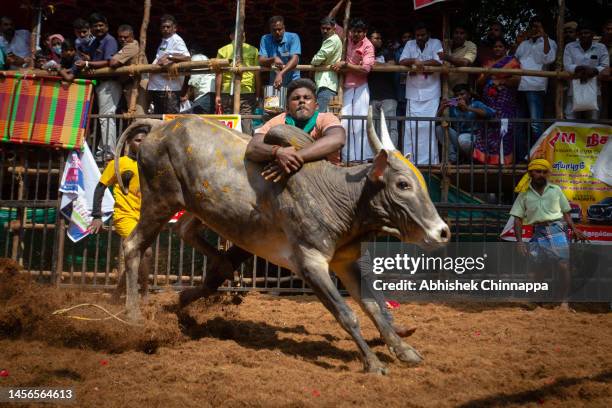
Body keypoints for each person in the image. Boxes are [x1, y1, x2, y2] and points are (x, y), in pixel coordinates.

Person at [245, 78, 412, 336]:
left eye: (306, 98)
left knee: (358, 264)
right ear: (287, 105)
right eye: (295, 98)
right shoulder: (277, 123)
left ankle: (387, 322)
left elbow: (337, 140)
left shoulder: (325, 119)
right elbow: (253, 146)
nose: (301, 101)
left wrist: (297, 155)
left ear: (315, 103)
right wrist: (278, 152)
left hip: (333, 204)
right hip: (289, 205)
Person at [510, 158, 587, 310]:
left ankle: (564, 302)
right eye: (538, 171)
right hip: (538, 232)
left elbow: (566, 213)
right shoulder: (524, 194)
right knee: (538, 269)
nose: (541, 174)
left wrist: (575, 229)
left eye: (544, 172)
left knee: (563, 266)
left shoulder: (556, 190)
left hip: (557, 230)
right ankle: (536, 301)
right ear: (531, 173)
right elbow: (517, 219)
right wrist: (519, 241)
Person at [89, 128, 152, 294]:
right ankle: (144, 292)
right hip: (124, 216)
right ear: (128, 142)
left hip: (144, 217)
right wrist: (97, 216)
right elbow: (100, 188)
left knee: (138, 256)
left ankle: (118, 293)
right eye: (138, 140)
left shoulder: (149, 165)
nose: (142, 144)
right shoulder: (118, 163)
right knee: (144, 252)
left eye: (144, 140)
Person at [75, 13, 121, 161]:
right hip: (100, 84)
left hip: (109, 83)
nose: (98, 28)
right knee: (103, 117)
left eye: (101, 25)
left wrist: (88, 64)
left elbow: (109, 62)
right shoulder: (95, 42)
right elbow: (88, 56)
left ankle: (109, 152)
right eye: (95, 26)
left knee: (106, 117)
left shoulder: (110, 40)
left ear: (106, 26)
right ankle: (102, 152)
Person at [399, 21, 443, 165]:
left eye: (423, 35)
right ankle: (410, 161)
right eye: (417, 35)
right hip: (413, 93)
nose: (420, 37)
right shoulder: (410, 44)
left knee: (428, 128)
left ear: (428, 35)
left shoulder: (436, 43)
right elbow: (402, 61)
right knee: (412, 128)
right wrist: (414, 60)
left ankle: (430, 162)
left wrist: (421, 64)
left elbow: (439, 61)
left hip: (431, 92)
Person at [331, 18, 375, 162]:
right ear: (350, 31)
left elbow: (365, 69)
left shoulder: (368, 46)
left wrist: (346, 65)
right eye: (354, 31)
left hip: (361, 87)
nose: (355, 34)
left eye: (359, 32)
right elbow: (329, 20)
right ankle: (348, 158)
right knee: (344, 122)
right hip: (346, 87)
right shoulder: (345, 37)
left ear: (365, 33)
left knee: (360, 122)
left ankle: (362, 157)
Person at [475, 38, 520, 165]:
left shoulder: (511, 62)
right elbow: (479, 83)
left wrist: (501, 81)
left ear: (505, 49)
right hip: (489, 101)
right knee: (488, 129)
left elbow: (517, 80)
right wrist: (489, 75)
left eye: (500, 46)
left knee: (504, 130)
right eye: (495, 47)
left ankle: (504, 162)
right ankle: (487, 161)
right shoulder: (488, 63)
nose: (497, 49)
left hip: (505, 102)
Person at [515, 16, 557, 148]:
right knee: (520, 123)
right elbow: (513, 59)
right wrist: (518, 41)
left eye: (538, 26)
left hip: (536, 86)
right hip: (520, 86)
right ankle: (523, 156)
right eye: (533, 26)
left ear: (544, 28)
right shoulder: (524, 43)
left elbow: (548, 59)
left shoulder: (550, 42)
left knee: (535, 123)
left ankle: (539, 154)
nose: (535, 29)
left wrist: (544, 37)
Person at [215, 28, 261, 134]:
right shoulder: (253, 50)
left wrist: (218, 95)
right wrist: (258, 94)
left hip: (232, 92)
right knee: (246, 120)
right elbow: (257, 74)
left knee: (229, 121)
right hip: (244, 91)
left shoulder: (223, 50)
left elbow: (218, 74)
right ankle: (247, 144)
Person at [435, 83, 495, 163]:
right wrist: (442, 108)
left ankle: (471, 159)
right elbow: (436, 119)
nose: (459, 97)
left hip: (475, 140)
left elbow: (491, 113)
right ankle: (453, 158)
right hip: (459, 138)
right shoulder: (454, 104)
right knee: (439, 129)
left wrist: (468, 108)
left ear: (469, 95)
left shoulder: (476, 103)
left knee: (463, 139)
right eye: (457, 95)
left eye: (462, 94)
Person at [563, 21, 609, 120]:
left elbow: (605, 66)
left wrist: (594, 71)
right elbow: (567, 66)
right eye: (581, 33)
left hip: (594, 91)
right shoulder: (570, 47)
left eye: (587, 33)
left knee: (593, 122)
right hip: (573, 89)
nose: (583, 35)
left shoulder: (601, 48)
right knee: (571, 121)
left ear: (592, 34)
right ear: (578, 35)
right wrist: (581, 68)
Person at [147, 14, 191, 114]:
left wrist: (169, 56)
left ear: (174, 28)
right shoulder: (164, 41)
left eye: (168, 27)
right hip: (158, 87)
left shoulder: (176, 40)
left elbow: (187, 58)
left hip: (169, 88)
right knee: (160, 118)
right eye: (163, 27)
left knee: (170, 119)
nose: (165, 29)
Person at [108, 24, 149, 115]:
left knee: (138, 116)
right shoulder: (132, 45)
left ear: (132, 36)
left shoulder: (130, 46)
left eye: (126, 37)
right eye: (120, 37)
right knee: (134, 116)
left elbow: (113, 63)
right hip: (135, 84)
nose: (123, 39)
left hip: (137, 84)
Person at [368, 29, 399, 147]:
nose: (378, 40)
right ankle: (379, 156)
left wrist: (376, 65)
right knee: (375, 129)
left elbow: (392, 65)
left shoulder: (387, 52)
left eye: (380, 38)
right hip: (373, 96)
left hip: (389, 95)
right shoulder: (366, 54)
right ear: (369, 40)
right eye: (376, 38)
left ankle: (392, 155)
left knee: (391, 127)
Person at [258, 16, 301, 89]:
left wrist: (281, 74)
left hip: (293, 80)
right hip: (275, 82)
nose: (277, 32)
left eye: (279, 29)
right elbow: (261, 60)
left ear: (284, 28)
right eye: (274, 30)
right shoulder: (265, 39)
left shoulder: (293, 37)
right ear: (270, 30)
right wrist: (273, 59)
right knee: (274, 100)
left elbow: (295, 59)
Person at [310, 16, 342, 112]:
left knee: (319, 117)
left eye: (328, 28)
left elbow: (317, 59)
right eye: (323, 28)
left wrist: (314, 62)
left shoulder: (331, 40)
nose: (325, 31)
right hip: (325, 83)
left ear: (334, 28)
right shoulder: (330, 39)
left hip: (327, 83)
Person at [438, 23, 477, 97]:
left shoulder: (470, 46)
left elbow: (465, 63)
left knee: (456, 107)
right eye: (456, 33)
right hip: (443, 89)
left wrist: (447, 57)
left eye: (462, 33)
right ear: (452, 34)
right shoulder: (445, 44)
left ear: (466, 35)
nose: (458, 35)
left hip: (460, 91)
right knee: (445, 106)